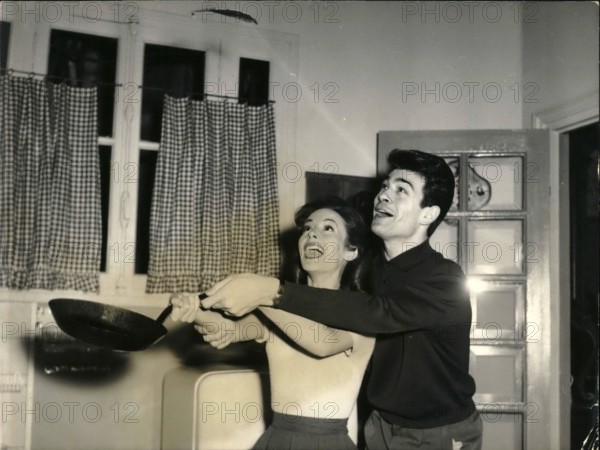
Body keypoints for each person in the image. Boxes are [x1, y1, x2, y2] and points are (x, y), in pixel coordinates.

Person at [199, 149, 483, 450]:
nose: (384, 195)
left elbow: (378, 313)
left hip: (437, 432)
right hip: (381, 426)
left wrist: (271, 291)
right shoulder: (372, 272)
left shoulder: (445, 279)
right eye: (386, 186)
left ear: (428, 213)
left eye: (401, 190)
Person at [170, 198, 376, 449]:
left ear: (351, 250)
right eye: (307, 229)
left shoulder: (363, 310)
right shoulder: (278, 310)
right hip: (276, 439)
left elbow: (323, 342)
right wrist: (193, 309)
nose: (311, 235)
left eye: (327, 228)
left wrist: (261, 296)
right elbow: (227, 330)